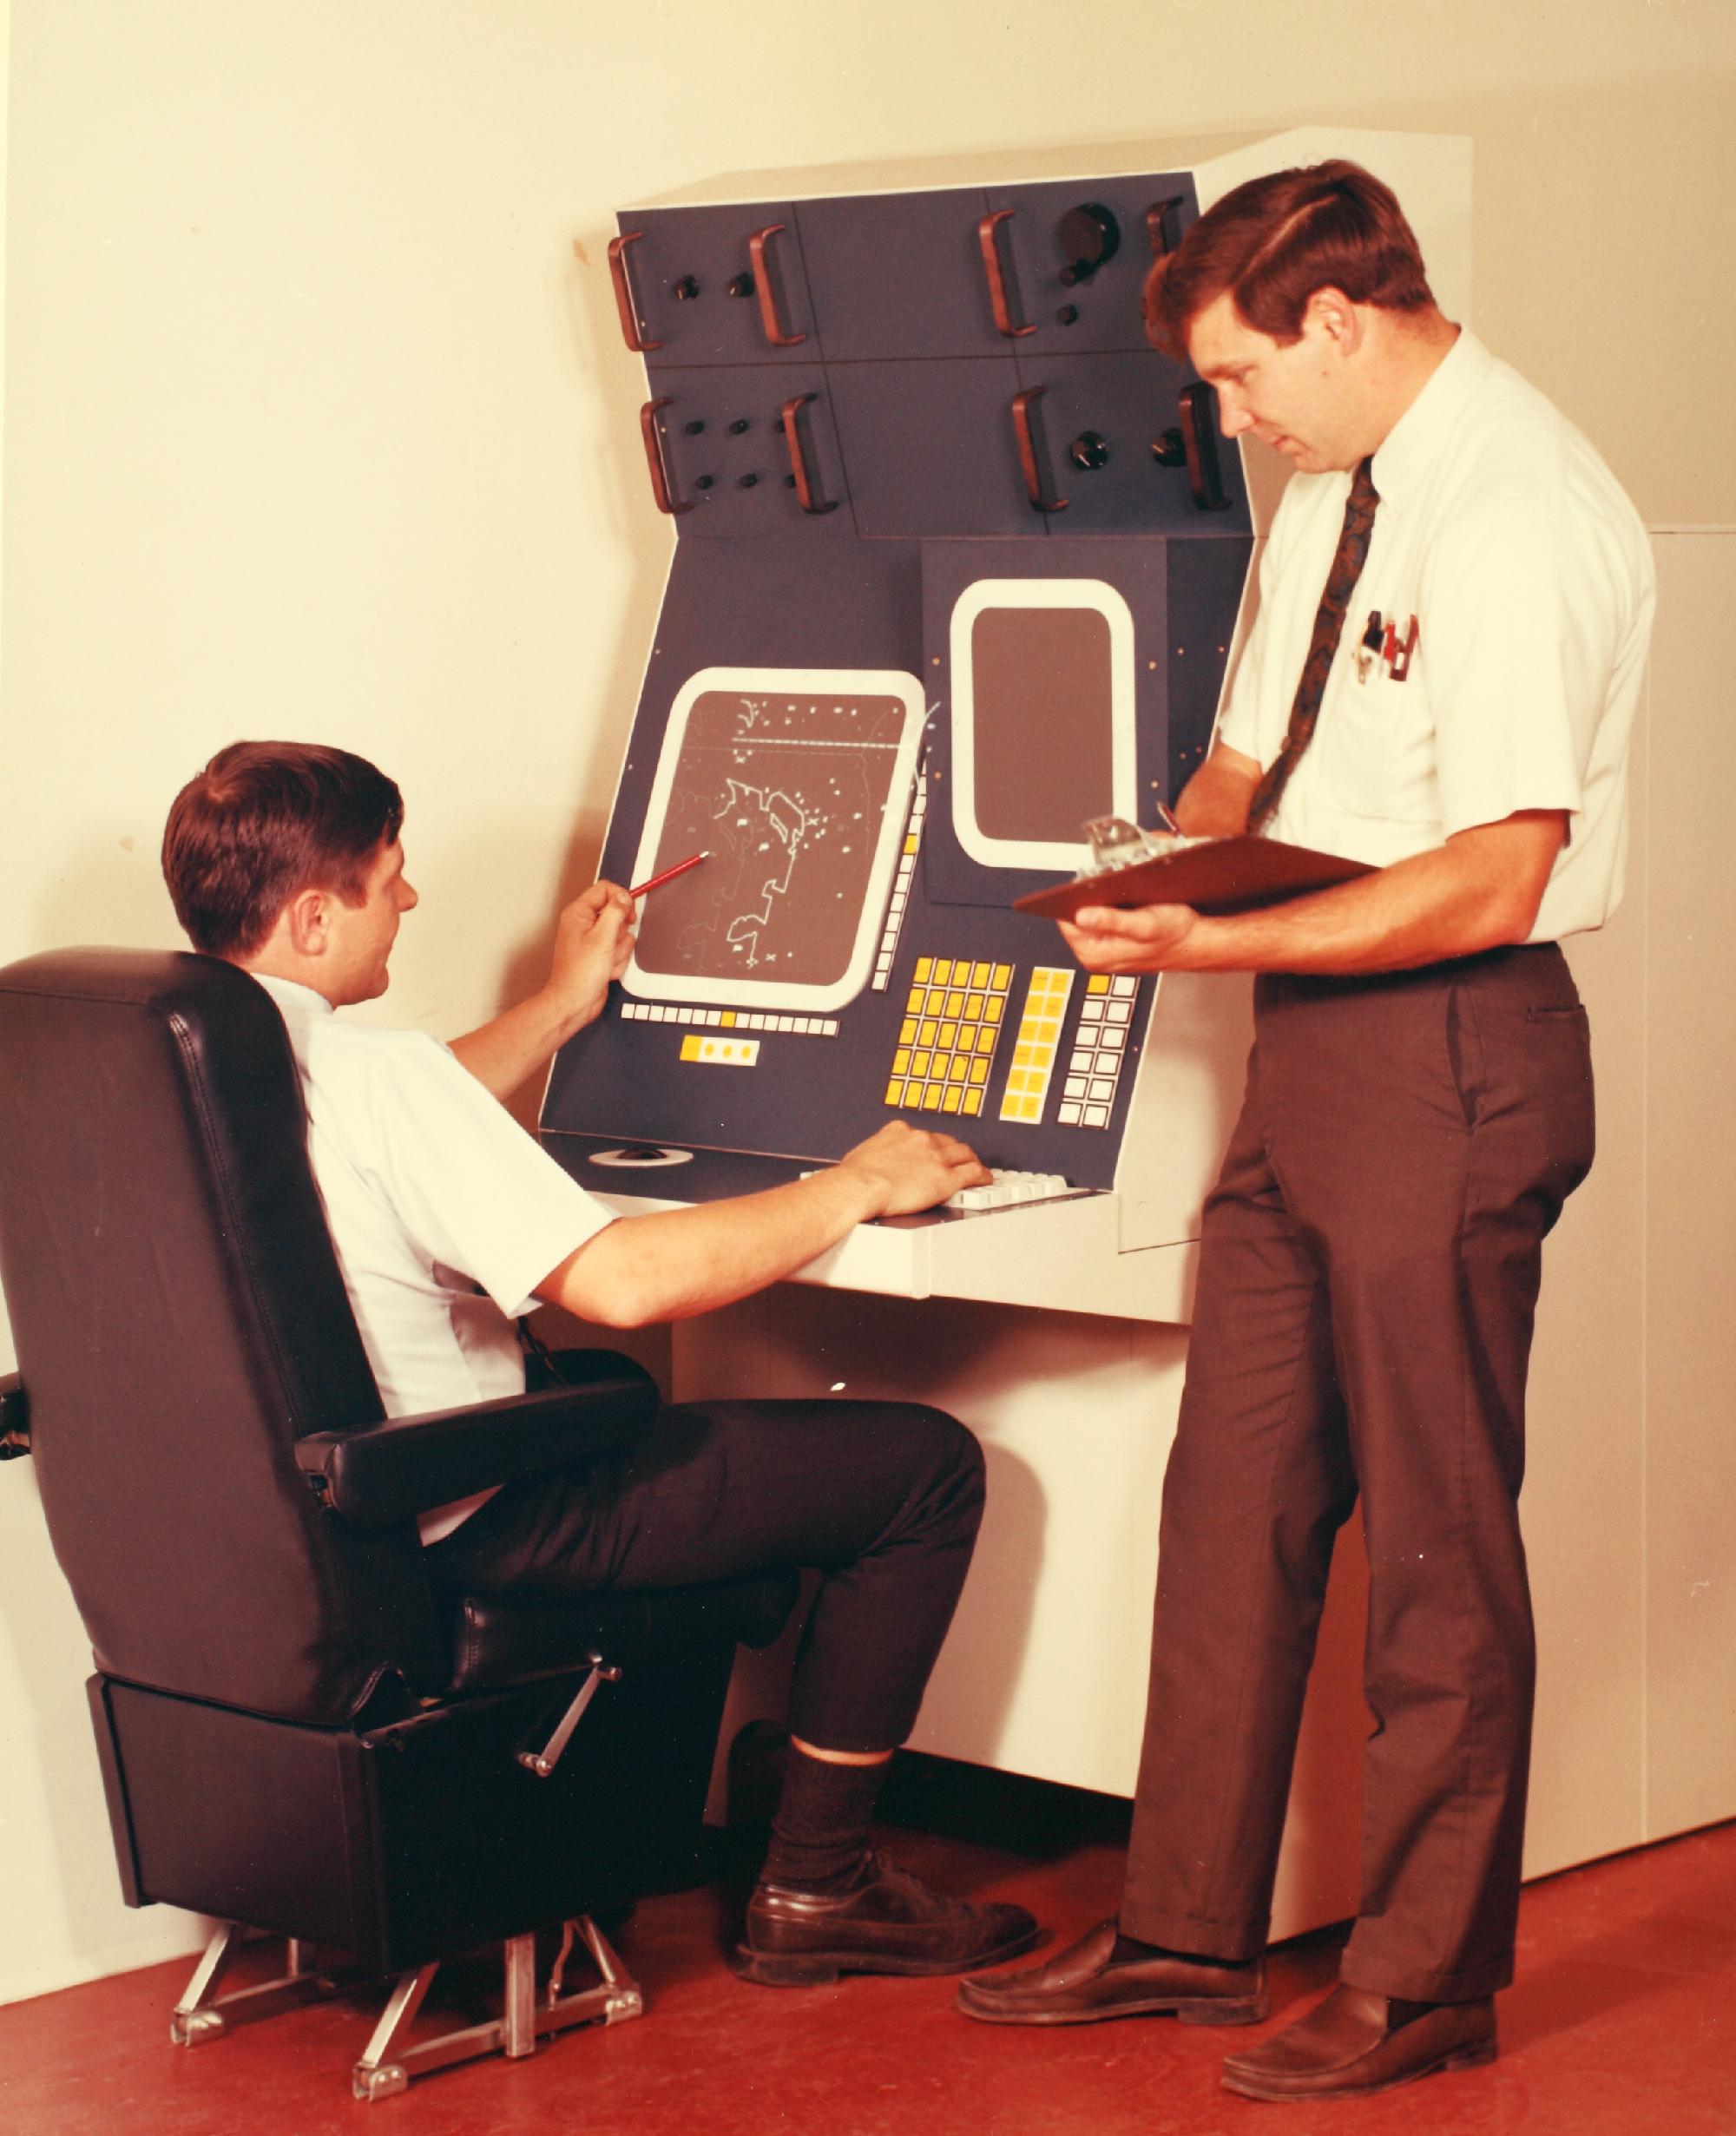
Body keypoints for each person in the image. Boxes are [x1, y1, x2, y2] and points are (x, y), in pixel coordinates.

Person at [957, 160, 1654, 2103]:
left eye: (1247, 378)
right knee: (1232, 1491)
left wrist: (1213, 931)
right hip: (1302, 1040)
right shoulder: (1335, 483)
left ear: (1337, 323)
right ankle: (1184, 1926)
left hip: (1445, 1044)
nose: (1235, 419)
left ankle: (1427, 1977)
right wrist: (1148, 875)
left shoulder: (1518, 512)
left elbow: (1496, 875)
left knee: (1434, 1540)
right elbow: (1249, 757)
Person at [160, 738, 1041, 1987]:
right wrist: (851, 1182)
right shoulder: (374, 1075)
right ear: (312, 917)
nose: (408, 899)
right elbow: (622, 1281)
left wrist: (569, 1002)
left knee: (667, 1429)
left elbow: (394, 1130)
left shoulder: (197, 1065)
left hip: (322, 1530)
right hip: (484, 1512)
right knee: (925, 1467)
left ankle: (760, 1740)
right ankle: (819, 1880)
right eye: (386, 879)